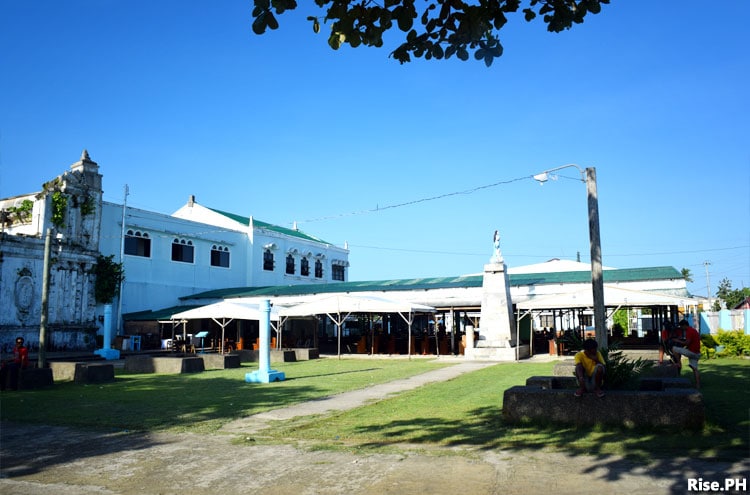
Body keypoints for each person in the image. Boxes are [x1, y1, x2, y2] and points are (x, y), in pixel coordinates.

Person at [667, 319, 702, 388]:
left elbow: (686, 343)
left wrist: (676, 340)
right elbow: (689, 342)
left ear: (685, 325)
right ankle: (698, 385)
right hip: (697, 353)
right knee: (695, 369)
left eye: (681, 327)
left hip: (692, 352)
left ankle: (679, 363)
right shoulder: (693, 330)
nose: (681, 328)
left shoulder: (689, 331)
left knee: (674, 348)